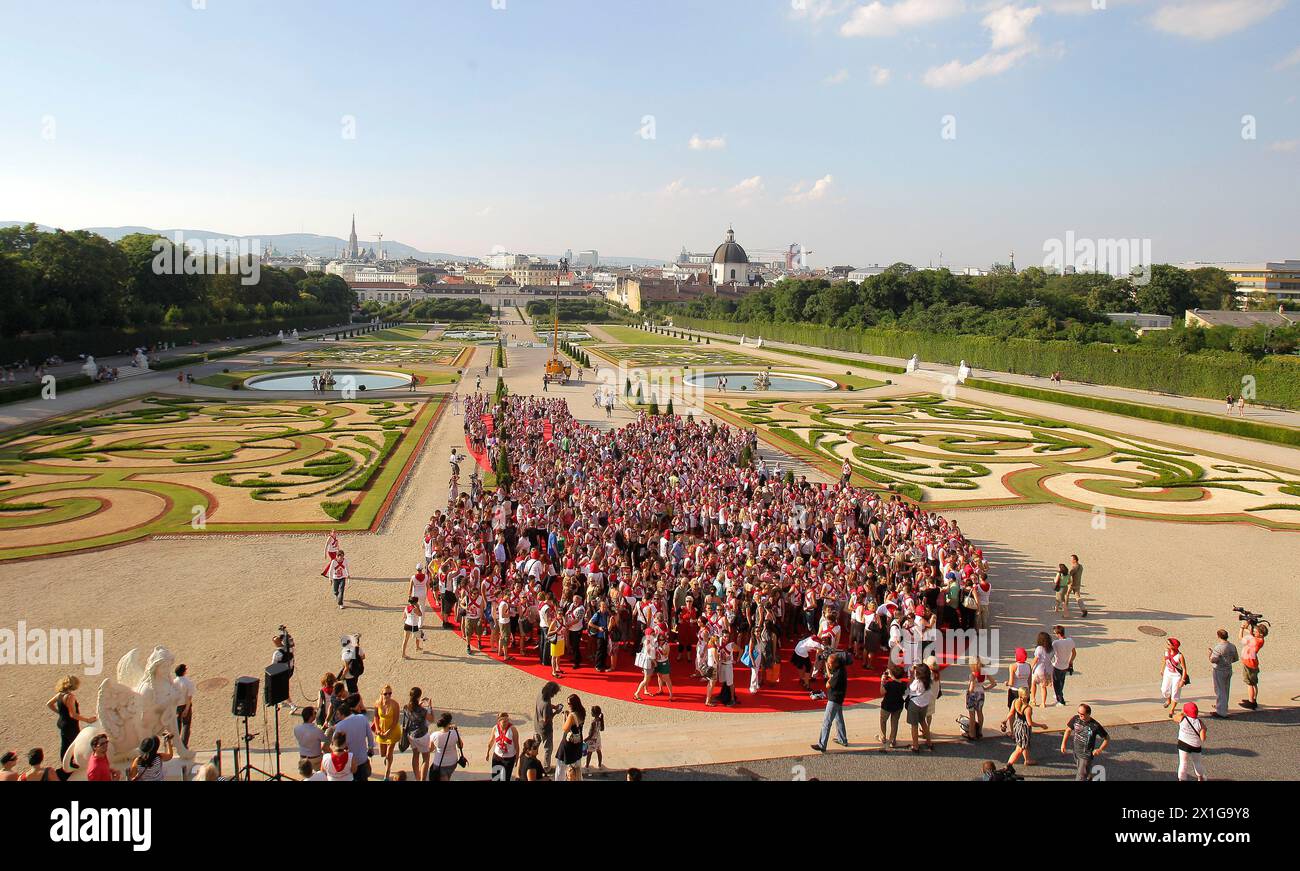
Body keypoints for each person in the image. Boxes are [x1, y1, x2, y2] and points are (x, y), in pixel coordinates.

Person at [46, 675, 96, 762]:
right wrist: (88, 720)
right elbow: (73, 715)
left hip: (62, 722)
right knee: (76, 743)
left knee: (65, 744)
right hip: (70, 725)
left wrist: (60, 712)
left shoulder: (60, 695)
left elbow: (49, 704)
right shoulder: (69, 697)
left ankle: (64, 762)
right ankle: (73, 762)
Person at [811, 651, 849, 753]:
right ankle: (842, 739)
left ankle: (822, 744)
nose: (828, 665)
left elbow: (828, 684)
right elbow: (830, 676)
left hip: (834, 700)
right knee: (839, 719)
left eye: (830, 664)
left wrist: (829, 676)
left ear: (835, 663)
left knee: (826, 722)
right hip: (839, 698)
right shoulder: (840, 668)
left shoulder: (838, 674)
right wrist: (827, 666)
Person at [1060, 703, 1109, 781]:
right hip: (1076, 751)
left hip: (1086, 755)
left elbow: (1107, 738)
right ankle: (1088, 777)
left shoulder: (1095, 725)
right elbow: (1068, 730)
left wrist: (1100, 749)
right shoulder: (1075, 719)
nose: (1080, 716)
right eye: (1078, 713)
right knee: (1083, 772)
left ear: (1088, 714)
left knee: (1080, 777)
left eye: (1082, 714)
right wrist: (1063, 744)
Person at [333, 700, 375, 781]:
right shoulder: (362, 718)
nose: (337, 717)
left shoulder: (340, 726)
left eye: (338, 714)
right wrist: (370, 748)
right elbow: (370, 736)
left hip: (349, 761)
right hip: (362, 758)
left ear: (343, 714)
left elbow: (335, 742)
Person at [1001, 687, 1040, 767]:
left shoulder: (1015, 701)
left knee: (1023, 743)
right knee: (1019, 748)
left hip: (1017, 725)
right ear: (1026, 697)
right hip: (1024, 729)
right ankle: (1008, 766)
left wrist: (1005, 720)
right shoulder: (1027, 708)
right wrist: (1041, 725)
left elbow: (1011, 713)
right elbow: (1030, 723)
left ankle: (1027, 760)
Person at [401, 688, 432, 781]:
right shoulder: (422, 711)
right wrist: (429, 707)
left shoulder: (406, 707)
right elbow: (430, 719)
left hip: (411, 735)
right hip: (421, 735)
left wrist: (419, 704)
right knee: (426, 758)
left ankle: (417, 778)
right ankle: (422, 779)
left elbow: (413, 712)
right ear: (419, 697)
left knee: (415, 755)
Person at [373, 685, 402, 780]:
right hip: (381, 730)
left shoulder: (395, 704)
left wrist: (388, 732)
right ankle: (387, 760)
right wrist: (377, 729)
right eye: (386, 694)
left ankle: (387, 772)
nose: (388, 695)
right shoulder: (377, 703)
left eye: (390, 693)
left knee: (389, 753)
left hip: (393, 730)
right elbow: (376, 717)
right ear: (382, 694)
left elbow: (396, 720)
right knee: (383, 753)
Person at [963, 656, 996, 741]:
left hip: (973, 694)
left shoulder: (973, 675)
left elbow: (971, 688)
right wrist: (985, 688)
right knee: (980, 712)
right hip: (981, 693)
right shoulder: (985, 672)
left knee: (972, 714)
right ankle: (980, 731)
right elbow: (993, 683)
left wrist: (968, 694)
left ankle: (971, 733)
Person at [1208, 628, 1238, 718]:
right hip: (1228, 669)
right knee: (1226, 689)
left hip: (1219, 670)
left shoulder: (1219, 647)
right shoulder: (1232, 646)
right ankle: (1222, 707)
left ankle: (1221, 711)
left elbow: (1213, 660)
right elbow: (1235, 658)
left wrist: (1210, 654)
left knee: (1220, 690)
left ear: (1218, 636)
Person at [554, 694, 586, 781]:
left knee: (561, 768)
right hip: (577, 742)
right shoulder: (582, 712)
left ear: (573, 704)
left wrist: (565, 717)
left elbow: (565, 728)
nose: (568, 705)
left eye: (569, 703)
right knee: (577, 768)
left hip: (568, 745)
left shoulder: (572, 715)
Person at [906, 662, 935, 753]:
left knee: (914, 725)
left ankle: (915, 746)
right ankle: (929, 742)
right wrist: (917, 668)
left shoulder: (917, 682)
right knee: (923, 721)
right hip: (924, 704)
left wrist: (911, 675)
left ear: (918, 674)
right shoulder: (929, 680)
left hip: (915, 704)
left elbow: (910, 687)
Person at [1174, 702, 1207, 781]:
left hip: (1183, 743)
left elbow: (1174, 717)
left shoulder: (1182, 719)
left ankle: (1182, 779)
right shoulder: (1200, 723)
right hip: (1195, 745)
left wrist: (1182, 712)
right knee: (1197, 763)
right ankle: (1200, 777)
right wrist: (1204, 731)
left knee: (1183, 762)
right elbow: (1203, 738)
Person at [1239, 621, 1267, 710]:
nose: (1255, 632)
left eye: (1257, 631)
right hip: (1253, 663)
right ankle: (1253, 700)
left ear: (1261, 634)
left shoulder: (1254, 640)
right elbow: (1252, 634)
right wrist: (1249, 629)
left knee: (1250, 683)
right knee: (1254, 683)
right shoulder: (1260, 640)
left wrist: (1242, 628)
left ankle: (1251, 702)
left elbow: (1240, 638)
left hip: (1249, 663)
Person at [427, 713, 463, 781]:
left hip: (440, 763)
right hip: (452, 762)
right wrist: (455, 730)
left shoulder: (435, 735)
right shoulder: (454, 733)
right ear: (450, 722)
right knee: (447, 777)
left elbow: (430, 749)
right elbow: (460, 745)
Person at [534, 681, 562, 770]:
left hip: (536, 724)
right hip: (545, 729)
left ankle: (532, 760)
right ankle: (546, 767)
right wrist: (555, 713)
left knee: (535, 745)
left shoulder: (541, 693)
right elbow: (546, 720)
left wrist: (553, 707)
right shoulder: (546, 704)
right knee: (548, 748)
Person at [486, 712, 520, 781]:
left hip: (509, 758)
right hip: (497, 756)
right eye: (504, 722)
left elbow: (516, 744)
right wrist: (488, 752)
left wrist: (517, 758)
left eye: (507, 721)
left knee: (505, 778)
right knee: (496, 778)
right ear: (499, 721)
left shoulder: (513, 729)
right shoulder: (495, 728)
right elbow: (491, 741)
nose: (506, 723)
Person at [1160, 638, 1189, 717]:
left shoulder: (1180, 656)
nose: (1167, 645)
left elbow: (1184, 669)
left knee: (1175, 693)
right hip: (1168, 673)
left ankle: (1172, 709)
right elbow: (1164, 660)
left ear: (1174, 646)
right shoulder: (1166, 651)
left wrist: (1182, 680)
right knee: (1164, 690)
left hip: (1177, 676)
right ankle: (1168, 700)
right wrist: (1162, 669)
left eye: (1169, 644)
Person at [1051, 626, 1076, 706]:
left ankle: (1060, 700)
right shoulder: (1070, 640)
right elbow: (1074, 653)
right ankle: (1059, 695)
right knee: (1061, 682)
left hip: (1057, 665)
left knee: (1056, 683)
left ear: (1058, 634)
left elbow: (1052, 654)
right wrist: (1070, 661)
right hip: (1065, 665)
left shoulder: (1056, 643)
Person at [173, 664, 194, 747]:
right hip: (185, 705)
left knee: (177, 724)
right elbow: (189, 698)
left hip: (176, 706)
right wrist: (186, 709)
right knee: (186, 724)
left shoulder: (174, 682)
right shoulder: (188, 682)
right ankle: (184, 744)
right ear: (184, 671)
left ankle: (176, 742)